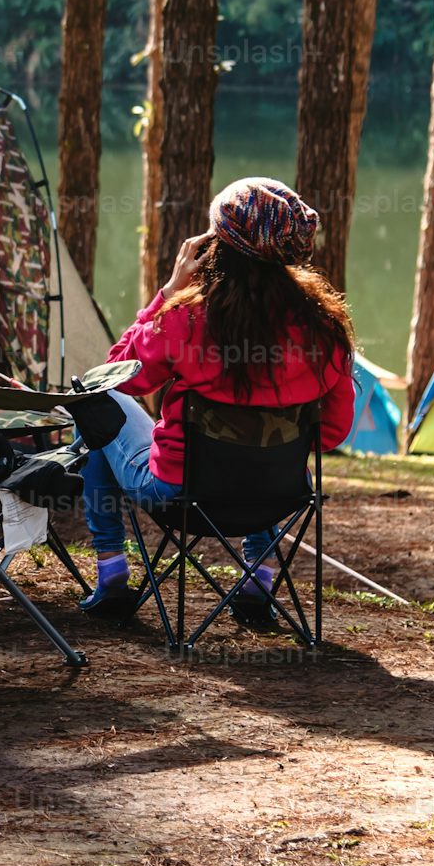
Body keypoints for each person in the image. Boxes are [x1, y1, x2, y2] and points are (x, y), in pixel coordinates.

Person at [77, 176, 354, 628]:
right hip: (276, 496)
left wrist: (167, 293)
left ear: (215, 246)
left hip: (181, 496)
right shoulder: (325, 329)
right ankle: (258, 580)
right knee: (262, 451)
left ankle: (110, 573)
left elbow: (116, 376)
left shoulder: (186, 318)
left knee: (92, 400)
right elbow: (332, 433)